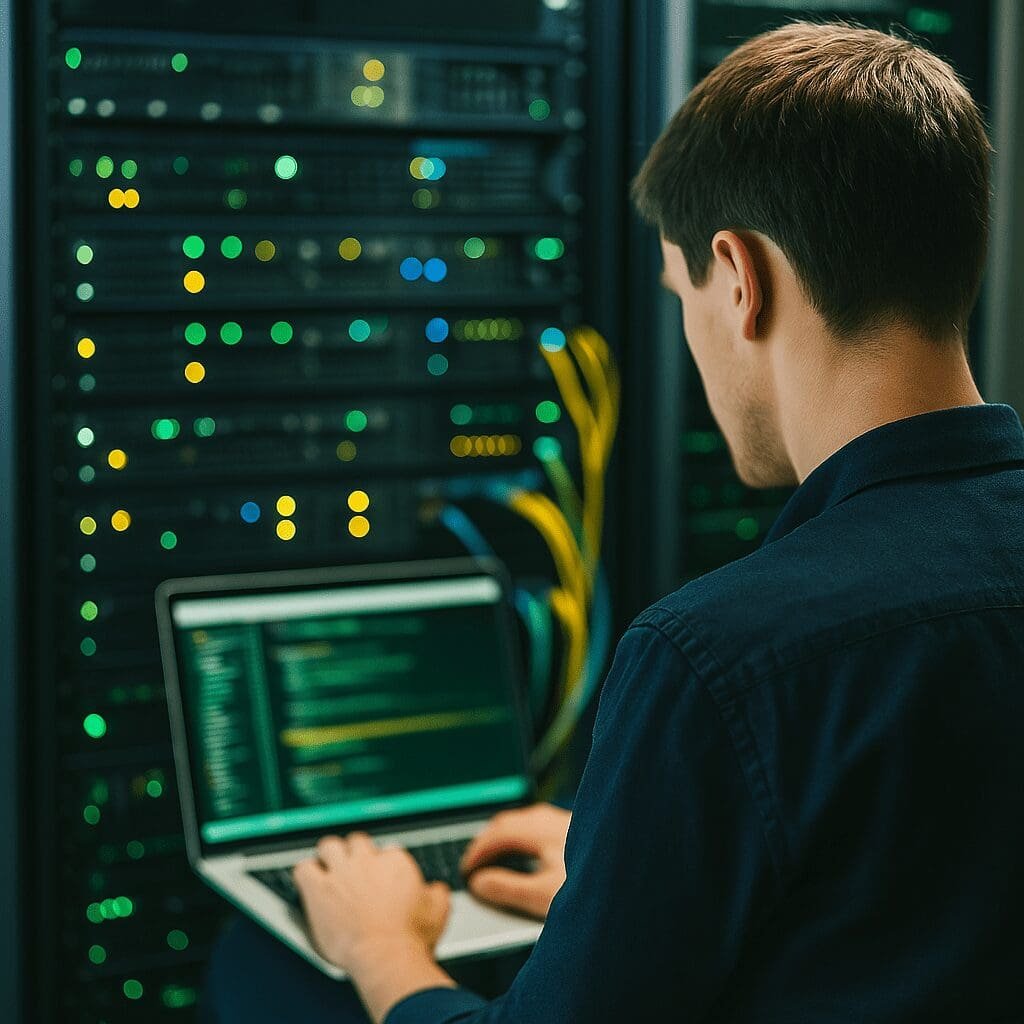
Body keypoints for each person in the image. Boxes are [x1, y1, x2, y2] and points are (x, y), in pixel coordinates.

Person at [209, 20, 1024, 1023]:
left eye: (679, 294)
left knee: (261, 964)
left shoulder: (718, 656)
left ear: (738, 278)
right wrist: (618, 866)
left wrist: (382, 950)